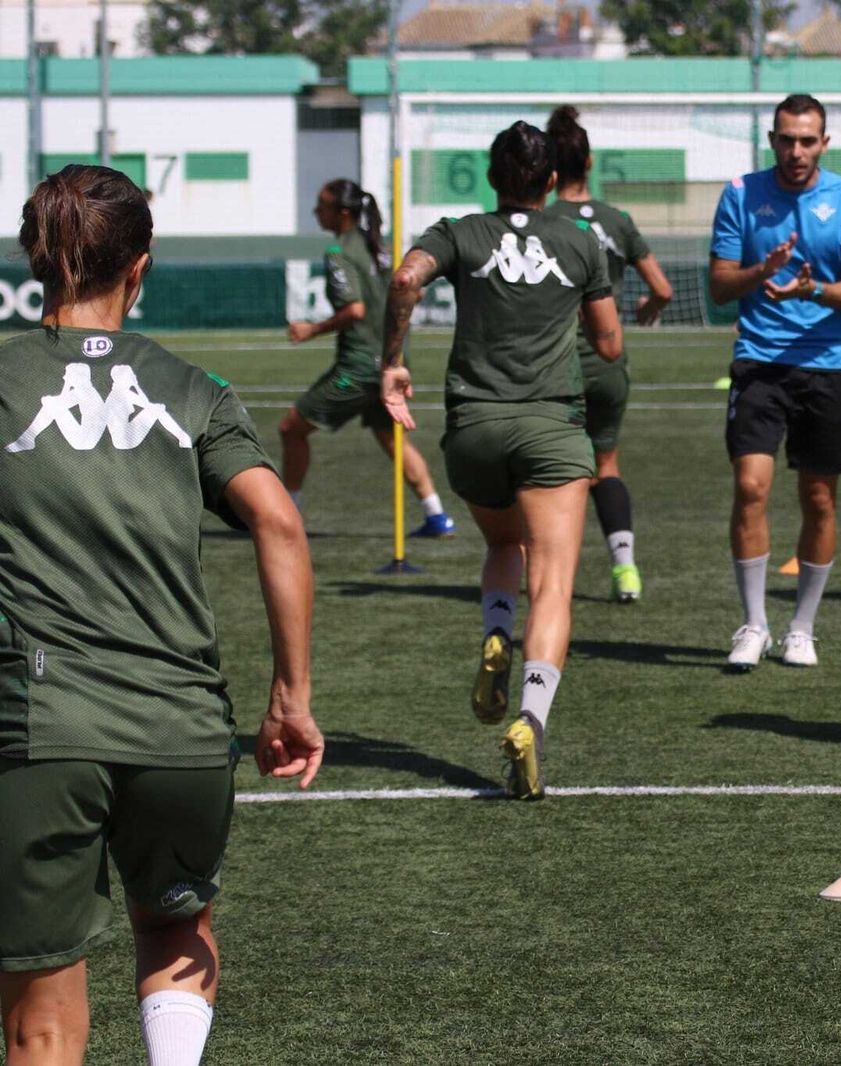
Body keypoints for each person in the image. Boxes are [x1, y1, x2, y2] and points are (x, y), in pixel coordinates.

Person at [0, 164, 323, 1065]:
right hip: (183, 725)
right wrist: (290, 697)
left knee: (41, 1026)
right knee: (176, 931)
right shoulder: (192, 387)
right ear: (140, 266)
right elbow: (279, 523)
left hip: (43, 725)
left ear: (33, 258)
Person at [380, 121, 621, 801]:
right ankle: (530, 720)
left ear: (491, 177)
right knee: (552, 584)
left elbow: (405, 278)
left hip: (475, 429)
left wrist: (393, 362)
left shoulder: (459, 233)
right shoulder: (580, 240)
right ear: (553, 180)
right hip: (551, 427)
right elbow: (608, 342)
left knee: (500, 545)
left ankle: (495, 632)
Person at [708, 93, 841, 671]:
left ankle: (801, 628)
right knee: (750, 486)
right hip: (759, 361)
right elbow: (719, 285)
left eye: (808, 140)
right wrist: (763, 270)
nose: (796, 151)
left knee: (819, 499)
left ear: (824, 143)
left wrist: (811, 290)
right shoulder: (740, 193)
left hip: (829, 365)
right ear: (772, 141)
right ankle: (754, 624)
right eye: (787, 139)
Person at [544, 105, 674, 603]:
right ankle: (625, 570)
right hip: (608, 363)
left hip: (556, 366)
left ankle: (552, 578)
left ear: (549, 169)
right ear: (590, 162)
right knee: (606, 464)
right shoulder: (617, 220)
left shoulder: (542, 221)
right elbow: (662, 288)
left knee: (551, 473)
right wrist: (646, 308)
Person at [281, 178, 456, 537]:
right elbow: (414, 293)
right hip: (394, 361)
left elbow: (355, 309)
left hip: (361, 367)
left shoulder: (340, 252)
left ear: (342, 212)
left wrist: (311, 329)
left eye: (321, 206)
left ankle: (287, 513)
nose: (316, 212)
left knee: (291, 429)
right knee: (391, 436)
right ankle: (436, 515)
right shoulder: (379, 247)